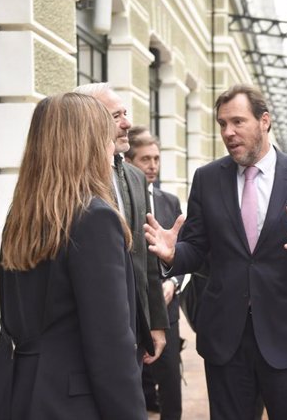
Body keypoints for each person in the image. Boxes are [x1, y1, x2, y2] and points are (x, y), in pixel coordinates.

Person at [144, 84, 287, 420]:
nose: (228, 132)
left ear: (264, 121)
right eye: (222, 124)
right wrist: (172, 254)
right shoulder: (208, 178)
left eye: (238, 122)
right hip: (226, 338)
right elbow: (195, 249)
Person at [0, 93, 146, 419]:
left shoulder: (22, 215)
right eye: (105, 138)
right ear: (87, 144)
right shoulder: (94, 218)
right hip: (70, 401)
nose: (111, 148)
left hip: (18, 390)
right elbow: (110, 347)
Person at [74, 82, 168, 365]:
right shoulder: (70, 179)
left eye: (125, 113)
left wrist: (155, 322)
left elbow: (145, 256)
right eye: (116, 116)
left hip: (132, 327)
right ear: (89, 121)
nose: (128, 123)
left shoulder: (136, 177)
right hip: (87, 330)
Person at [125, 126, 184, 419]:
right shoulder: (119, 200)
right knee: (135, 383)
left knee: (171, 382)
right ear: (129, 162)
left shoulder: (169, 201)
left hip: (166, 307)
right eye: (145, 159)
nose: (152, 166)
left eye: (156, 159)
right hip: (131, 308)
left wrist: (173, 281)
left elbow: (182, 251)